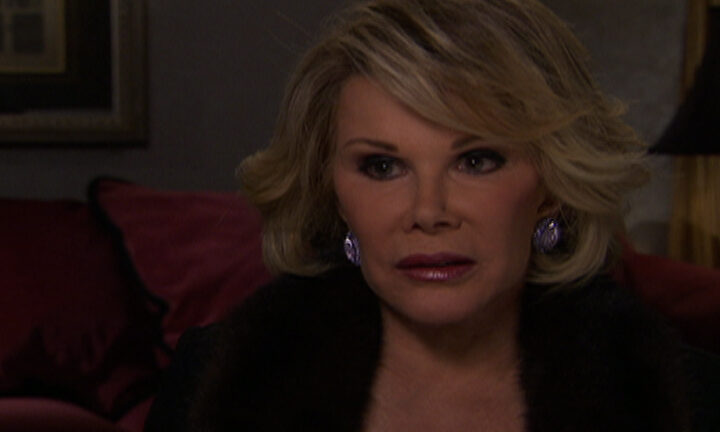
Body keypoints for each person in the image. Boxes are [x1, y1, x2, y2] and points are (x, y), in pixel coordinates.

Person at [145, 0, 719, 430]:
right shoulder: (212, 383)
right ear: (333, 192)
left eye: (477, 160)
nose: (428, 212)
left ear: (552, 186)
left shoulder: (690, 401)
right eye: (382, 167)